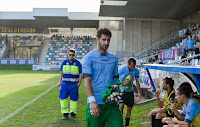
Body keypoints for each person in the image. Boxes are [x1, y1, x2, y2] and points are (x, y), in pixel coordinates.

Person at [83, 28, 123, 127]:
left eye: (108, 40)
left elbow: (116, 79)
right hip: (96, 103)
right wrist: (92, 100)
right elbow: (87, 81)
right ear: (97, 39)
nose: (106, 42)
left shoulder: (113, 58)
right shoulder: (88, 58)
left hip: (112, 104)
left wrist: (119, 89)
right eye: (104, 39)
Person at [58, 48, 82, 119]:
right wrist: (60, 81)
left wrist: (79, 82)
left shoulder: (78, 63)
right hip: (65, 84)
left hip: (74, 85)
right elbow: (61, 72)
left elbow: (80, 73)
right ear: (68, 55)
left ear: (74, 55)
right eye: (70, 55)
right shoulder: (64, 62)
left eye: (72, 55)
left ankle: (73, 113)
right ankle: (65, 113)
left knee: (74, 99)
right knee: (63, 98)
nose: (71, 56)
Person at [118, 57, 142, 127]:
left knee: (129, 108)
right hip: (122, 91)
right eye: (132, 66)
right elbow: (116, 80)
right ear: (128, 64)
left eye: (134, 66)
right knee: (121, 106)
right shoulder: (121, 70)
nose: (133, 68)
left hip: (130, 92)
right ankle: (120, 123)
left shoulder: (136, 70)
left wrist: (139, 92)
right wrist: (123, 83)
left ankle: (127, 125)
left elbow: (137, 81)